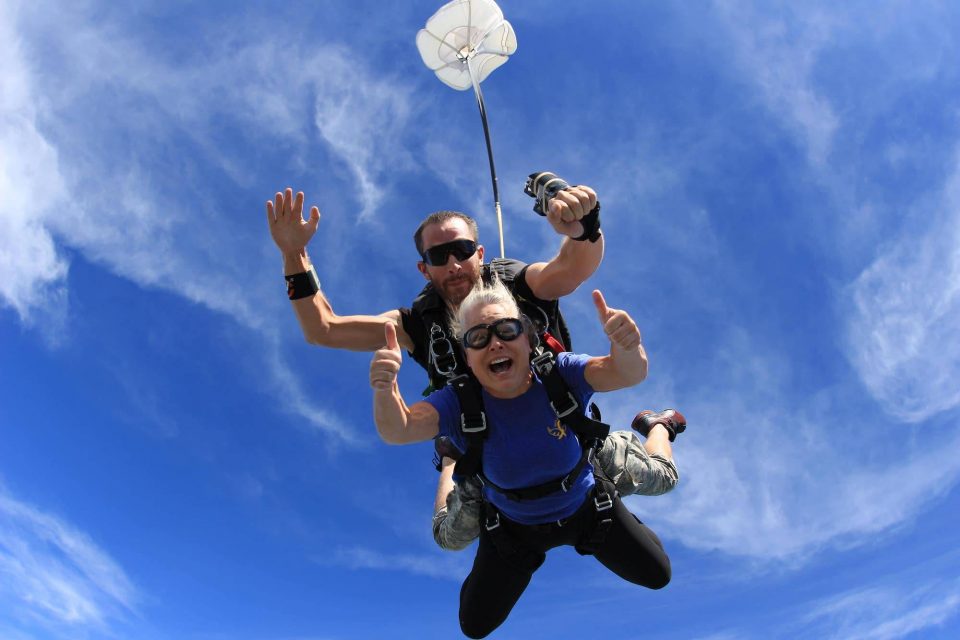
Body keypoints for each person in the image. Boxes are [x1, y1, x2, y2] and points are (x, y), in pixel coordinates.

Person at [265, 180, 681, 550]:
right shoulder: (415, 324)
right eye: (438, 255)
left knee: (661, 478)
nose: (453, 264)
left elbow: (571, 268)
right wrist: (293, 254)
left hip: (568, 434)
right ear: (423, 268)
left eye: (462, 250)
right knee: (449, 536)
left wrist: (582, 227)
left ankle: (657, 424)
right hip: (490, 455)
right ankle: (450, 458)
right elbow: (324, 329)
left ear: (479, 253)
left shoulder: (518, 284)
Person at [370, 279, 672, 638]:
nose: (495, 342)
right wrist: (384, 389)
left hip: (588, 505)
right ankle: (451, 460)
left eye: (507, 329)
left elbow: (627, 372)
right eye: (478, 337)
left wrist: (627, 346)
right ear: (467, 356)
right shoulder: (458, 400)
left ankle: (659, 426)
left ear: (527, 338)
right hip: (512, 527)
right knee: (474, 624)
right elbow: (398, 429)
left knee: (659, 565)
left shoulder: (561, 372)